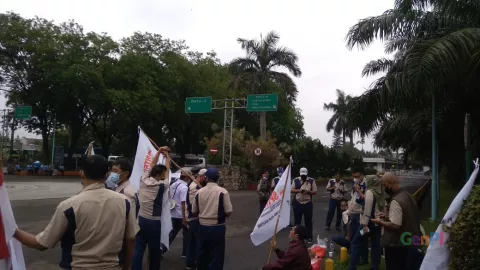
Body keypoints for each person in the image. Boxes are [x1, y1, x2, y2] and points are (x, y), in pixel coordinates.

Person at [13, 155, 138, 270]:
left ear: (81, 173)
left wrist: (13, 230)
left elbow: (42, 243)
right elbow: (130, 239)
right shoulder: (124, 202)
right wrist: (126, 267)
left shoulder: (69, 206)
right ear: (106, 175)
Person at [370, 172, 423, 270]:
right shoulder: (406, 195)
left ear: (391, 183)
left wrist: (379, 222)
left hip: (398, 245)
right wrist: (386, 215)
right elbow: (404, 213)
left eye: (385, 185)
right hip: (412, 242)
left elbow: (395, 225)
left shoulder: (395, 201)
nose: (384, 188)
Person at [132, 146, 171, 270]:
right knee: (154, 250)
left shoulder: (143, 179)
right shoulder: (161, 185)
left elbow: (152, 165)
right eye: (163, 174)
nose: (165, 175)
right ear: (159, 175)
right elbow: (168, 171)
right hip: (153, 222)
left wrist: (159, 152)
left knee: (139, 248)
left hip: (141, 218)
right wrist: (167, 157)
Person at [192, 167, 233, 270]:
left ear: (206, 178)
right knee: (216, 256)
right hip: (217, 227)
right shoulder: (223, 192)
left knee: (202, 255)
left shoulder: (199, 192)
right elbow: (228, 211)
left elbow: (194, 211)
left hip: (202, 227)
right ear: (217, 178)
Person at [348, 175, 385, 270]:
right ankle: (374, 267)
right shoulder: (380, 192)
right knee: (375, 246)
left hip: (368, 225)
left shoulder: (370, 192)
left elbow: (368, 208)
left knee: (355, 242)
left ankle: (352, 267)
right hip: (377, 223)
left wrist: (364, 225)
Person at [106, 158, 138, 268]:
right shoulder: (117, 187)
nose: (112, 174)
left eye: (115, 171)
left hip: (121, 241)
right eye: (111, 171)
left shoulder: (128, 193)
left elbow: (130, 223)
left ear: (125, 174)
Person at [185, 167, 207, 269]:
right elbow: (193, 205)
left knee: (193, 241)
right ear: (201, 176)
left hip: (193, 217)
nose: (206, 180)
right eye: (205, 178)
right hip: (194, 218)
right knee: (197, 241)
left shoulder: (196, 186)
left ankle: (190, 263)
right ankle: (196, 263)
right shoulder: (194, 187)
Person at [347, 166, 368, 265]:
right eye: (353, 175)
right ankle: (353, 256)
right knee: (352, 235)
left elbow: (366, 199)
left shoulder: (366, 184)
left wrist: (358, 190)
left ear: (360, 173)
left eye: (356, 175)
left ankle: (363, 258)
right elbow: (353, 198)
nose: (354, 177)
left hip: (361, 214)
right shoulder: (356, 184)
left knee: (361, 237)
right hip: (353, 213)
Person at [167, 168, 190, 258]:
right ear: (186, 177)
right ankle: (185, 252)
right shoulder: (184, 187)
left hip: (173, 213)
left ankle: (162, 248)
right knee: (187, 234)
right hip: (181, 214)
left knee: (172, 233)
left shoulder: (173, 184)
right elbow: (183, 203)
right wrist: (184, 218)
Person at [291, 167, 317, 243]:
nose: (303, 176)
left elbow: (315, 191)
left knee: (308, 221)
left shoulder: (311, 180)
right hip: (298, 202)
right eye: (302, 175)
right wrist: (299, 190)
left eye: (304, 175)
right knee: (297, 221)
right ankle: (296, 237)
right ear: (300, 174)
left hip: (307, 203)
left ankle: (309, 237)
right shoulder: (296, 180)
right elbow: (292, 189)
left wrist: (308, 191)